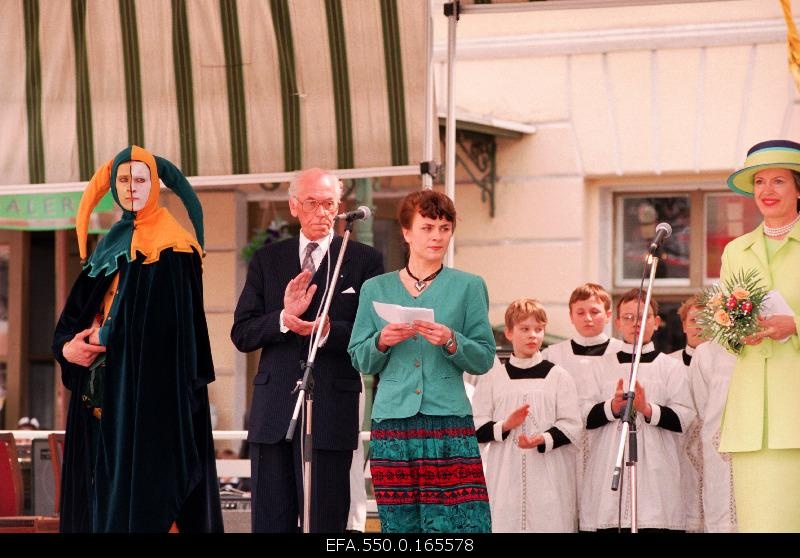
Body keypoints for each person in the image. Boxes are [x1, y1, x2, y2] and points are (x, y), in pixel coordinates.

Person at [52, 146, 222, 533]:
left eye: (141, 179)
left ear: (157, 185)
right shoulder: (107, 246)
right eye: (124, 180)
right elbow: (69, 323)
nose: (132, 188)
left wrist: (107, 335)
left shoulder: (175, 247)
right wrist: (67, 348)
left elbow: (170, 332)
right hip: (97, 411)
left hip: (150, 410)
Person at [231, 168, 384, 533]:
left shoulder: (363, 259)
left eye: (329, 203)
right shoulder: (268, 260)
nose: (321, 212)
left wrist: (329, 330)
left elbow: (373, 333)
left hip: (331, 406)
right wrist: (284, 318)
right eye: (312, 202)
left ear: (339, 207)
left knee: (326, 524)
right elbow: (242, 333)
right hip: (274, 410)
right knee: (271, 521)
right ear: (294, 206)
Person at [348, 190, 495, 533]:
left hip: (448, 420)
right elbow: (359, 358)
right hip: (393, 422)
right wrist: (381, 341)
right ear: (407, 232)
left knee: (462, 524)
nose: (437, 236)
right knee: (400, 526)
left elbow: (484, 357)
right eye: (427, 227)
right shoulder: (375, 288)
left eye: (444, 228)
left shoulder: (469, 286)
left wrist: (450, 340)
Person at [718, 139, 800, 532]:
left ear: (798, 188)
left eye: (779, 181)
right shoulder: (737, 250)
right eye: (760, 182)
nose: (767, 191)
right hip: (753, 417)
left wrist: (796, 324)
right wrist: (737, 334)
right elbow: (724, 321)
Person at [580, 289, 695, 531]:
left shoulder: (671, 368)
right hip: (609, 471)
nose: (636, 324)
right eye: (629, 317)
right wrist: (612, 407)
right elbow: (583, 416)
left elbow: (684, 418)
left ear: (656, 322)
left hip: (657, 476)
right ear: (618, 322)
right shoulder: (599, 367)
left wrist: (646, 408)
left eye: (643, 317)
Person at [472, 298, 581, 532]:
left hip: (549, 479)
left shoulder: (559, 377)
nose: (533, 335)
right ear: (509, 333)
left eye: (538, 329)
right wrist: (505, 425)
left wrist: (541, 439)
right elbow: (476, 428)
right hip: (505, 479)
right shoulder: (492, 379)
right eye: (524, 329)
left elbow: (573, 425)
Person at [541, 283, 623, 530]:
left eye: (595, 311)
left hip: (606, 444)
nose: (588, 318)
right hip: (565, 449)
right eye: (580, 312)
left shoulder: (621, 352)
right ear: (571, 316)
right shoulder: (553, 355)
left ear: (608, 315)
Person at [688, 340, 738, 532]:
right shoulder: (706, 352)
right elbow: (701, 406)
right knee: (721, 516)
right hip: (719, 448)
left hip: (758, 447)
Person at [668, 295, 706, 533]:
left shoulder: (727, 363)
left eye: (704, 320)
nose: (698, 326)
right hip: (680, 449)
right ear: (683, 325)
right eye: (693, 320)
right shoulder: (668, 364)